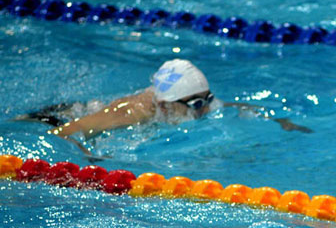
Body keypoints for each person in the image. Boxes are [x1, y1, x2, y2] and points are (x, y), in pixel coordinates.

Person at [17, 59, 310, 158]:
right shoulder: (133, 113)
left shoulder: (189, 102)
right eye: (197, 104)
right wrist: (90, 158)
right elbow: (62, 132)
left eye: (208, 99)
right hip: (53, 118)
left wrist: (279, 120)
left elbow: (232, 105)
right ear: (166, 106)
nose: (206, 110)